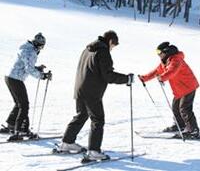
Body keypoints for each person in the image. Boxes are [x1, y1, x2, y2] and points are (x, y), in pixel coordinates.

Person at [59, 30, 134, 160]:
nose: (112, 48)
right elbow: (108, 75)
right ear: (110, 41)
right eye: (114, 45)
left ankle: (67, 142)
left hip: (80, 89)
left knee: (81, 115)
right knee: (98, 120)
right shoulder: (103, 51)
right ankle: (94, 151)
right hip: (92, 92)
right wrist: (126, 79)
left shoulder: (88, 49)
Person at [139, 42, 199, 138]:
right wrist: (144, 78)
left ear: (165, 52)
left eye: (159, 52)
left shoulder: (176, 59)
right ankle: (180, 125)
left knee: (184, 108)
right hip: (179, 89)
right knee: (175, 107)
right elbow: (156, 71)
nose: (158, 54)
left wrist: (162, 77)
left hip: (188, 87)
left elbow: (172, 71)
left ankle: (193, 131)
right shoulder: (165, 61)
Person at [0, 33, 52, 141]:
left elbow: (25, 65)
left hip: (9, 77)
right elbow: (29, 69)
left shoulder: (25, 47)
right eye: (41, 46)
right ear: (38, 45)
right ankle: (20, 130)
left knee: (19, 103)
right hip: (16, 79)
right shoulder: (31, 52)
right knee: (24, 105)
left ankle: (11, 124)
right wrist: (43, 76)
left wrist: (37, 68)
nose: (41, 48)